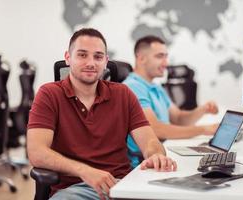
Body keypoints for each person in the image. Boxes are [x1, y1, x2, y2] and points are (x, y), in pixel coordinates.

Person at [27, 29, 177, 200]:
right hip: (75, 190)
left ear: (106, 61)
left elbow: (149, 140)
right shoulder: (49, 94)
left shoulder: (123, 94)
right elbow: (36, 152)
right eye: (82, 55)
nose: (91, 63)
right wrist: (85, 171)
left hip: (121, 186)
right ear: (68, 58)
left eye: (98, 57)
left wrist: (155, 154)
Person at [123, 35, 219, 168]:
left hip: (162, 154)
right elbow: (155, 129)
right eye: (159, 56)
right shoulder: (132, 87)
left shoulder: (155, 87)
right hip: (144, 164)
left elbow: (178, 118)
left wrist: (203, 109)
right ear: (141, 58)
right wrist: (204, 129)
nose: (166, 63)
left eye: (166, 56)